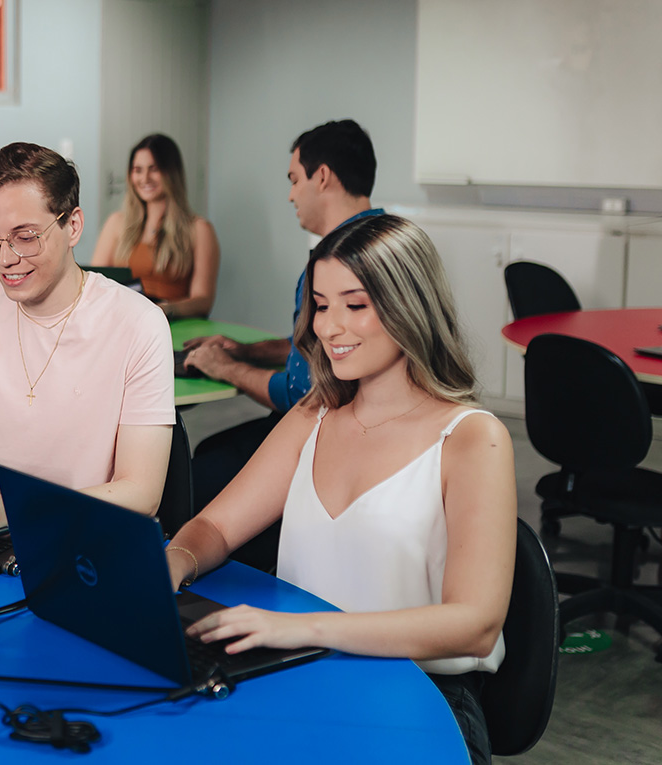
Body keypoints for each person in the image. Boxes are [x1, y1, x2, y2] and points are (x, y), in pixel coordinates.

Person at [166, 215, 515, 765]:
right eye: (322, 305)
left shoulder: (472, 438)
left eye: (355, 306)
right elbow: (214, 526)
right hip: (303, 670)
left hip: (420, 697)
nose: (329, 327)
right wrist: (174, 560)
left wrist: (297, 628)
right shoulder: (313, 417)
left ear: (409, 307)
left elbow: (475, 625)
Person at [0, 142, 175, 527]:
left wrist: (14, 510)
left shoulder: (139, 323)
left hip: (87, 535)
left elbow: (141, 492)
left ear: (72, 226)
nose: (4, 259)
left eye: (25, 237)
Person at [183, 119, 384, 570]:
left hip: (331, 425)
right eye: (322, 307)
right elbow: (318, 348)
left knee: (208, 462)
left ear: (323, 177)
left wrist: (224, 368)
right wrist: (244, 350)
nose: (291, 195)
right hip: (348, 417)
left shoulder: (334, 258)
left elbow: (302, 391)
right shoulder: (383, 239)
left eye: (294, 180)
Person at [91, 134, 220, 318]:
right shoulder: (116, 223)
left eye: (154, 169)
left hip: (172, 324)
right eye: (137, 170)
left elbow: (203, 300)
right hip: (124, 320)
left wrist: (163, 310)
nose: (145, 178)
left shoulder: (200, 229)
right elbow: (95, 284)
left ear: (171, 173)